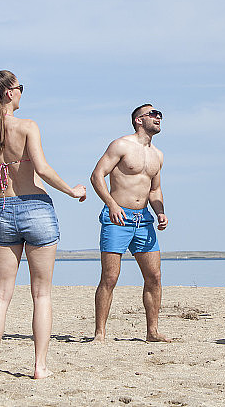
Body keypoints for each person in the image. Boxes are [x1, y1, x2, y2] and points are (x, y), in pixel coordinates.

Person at [0, 64, 87, 379]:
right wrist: (73, 192)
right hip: (36, 209)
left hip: (4, 209)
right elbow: (44, 170)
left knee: (0, 295)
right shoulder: (27, 126)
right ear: (9, 93)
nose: (22, 92)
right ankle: (39, 367)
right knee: (41, 294)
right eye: (20, 87)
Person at [91, 104, 170, 342]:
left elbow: (155, 190)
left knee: (154, 276)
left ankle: (152, 331)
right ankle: (100, 333)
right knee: (110, 277)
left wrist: (160, 212)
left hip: (143, 219)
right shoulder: (121, 145)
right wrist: (111, 204)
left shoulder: (158, 155)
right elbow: (97, 175)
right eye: (153, 114)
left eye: (160, 115)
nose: (158, 118)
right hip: (117, 217)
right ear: (138, 120)